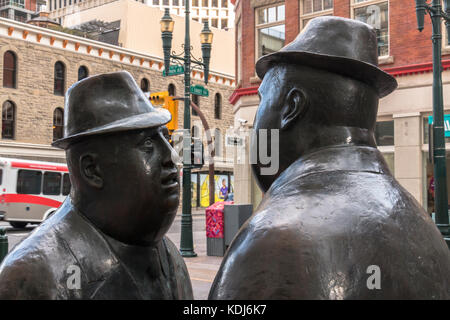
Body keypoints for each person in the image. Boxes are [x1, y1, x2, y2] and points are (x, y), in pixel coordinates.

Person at [209, 17, 450, 299]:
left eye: (264, 100)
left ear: (292, 106)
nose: (257, 120)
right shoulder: (425, 229)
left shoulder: (273, 238)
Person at [0, 71, 193, 299]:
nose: (171, 156)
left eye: (166, 138)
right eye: (148, 143)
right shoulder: (33, 277)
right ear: (92, 169)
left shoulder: (171, 257)